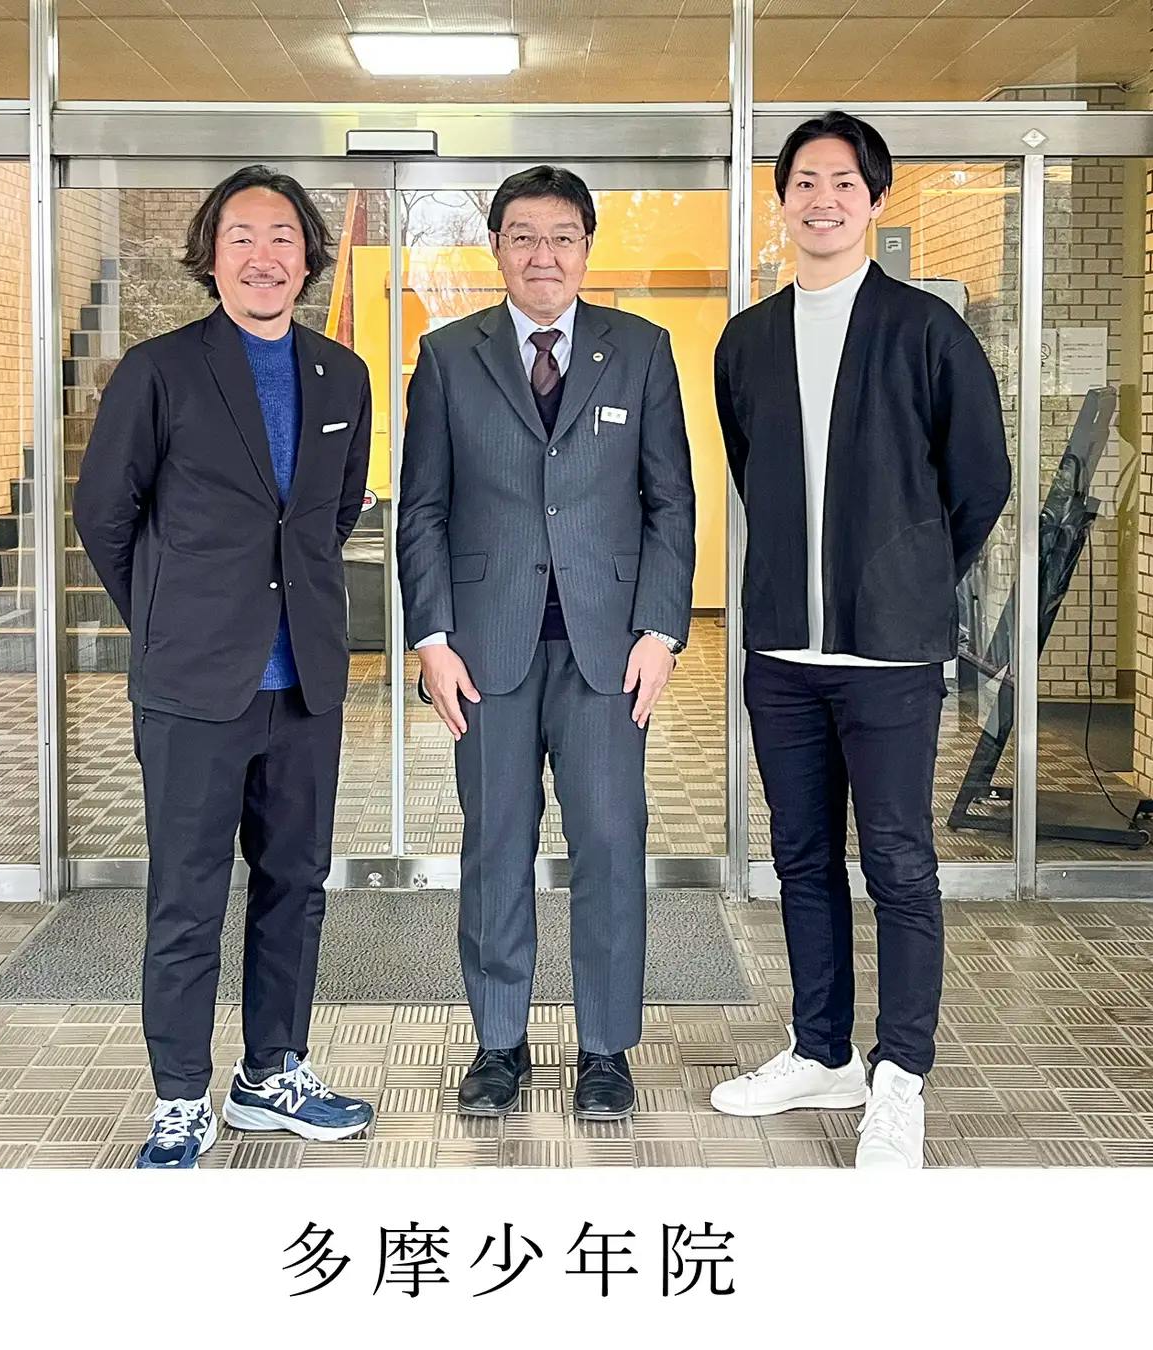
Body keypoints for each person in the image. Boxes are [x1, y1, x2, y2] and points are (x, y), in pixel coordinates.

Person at [709, 114, 1010, 1167]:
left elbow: (979, 482)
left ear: (876, 201)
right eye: (804, 181)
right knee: (801, 858)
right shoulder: (747, 340)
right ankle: (821, 1050)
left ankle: (900, 1076)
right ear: (782, 200)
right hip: (783, 656)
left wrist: (909, 579)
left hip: (889, 659)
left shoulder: (927, 331)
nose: (823, 199)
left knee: (897, 863)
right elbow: (752, 468)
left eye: (843, 182)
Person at [75, 165, 376, 1168]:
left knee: (295, 885)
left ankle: (270, 1074)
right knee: (186, 897)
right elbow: (104, 515)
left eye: (282, 237)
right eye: (241, 236)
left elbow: (332, 514)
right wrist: (169, 620)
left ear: (308, 257)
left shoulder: (341, 375)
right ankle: (178, 1097)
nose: (263, 256)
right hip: (194, 687)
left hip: (306, 686)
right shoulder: (159, 371)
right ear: (210, 254)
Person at [398, 165, 696, 1122]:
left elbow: (671, 502)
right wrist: (431, 638)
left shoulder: (640, 350)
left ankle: (605, 1048)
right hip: (485, 652)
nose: (543, 255)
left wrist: (662, 630)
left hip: (610, 653)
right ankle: (499, 1042)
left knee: (609, 843)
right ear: (496, 247)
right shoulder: (448, 356)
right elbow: (423, 509)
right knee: (495, 844)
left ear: (586, 249)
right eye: (523, 236)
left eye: (562, 236)